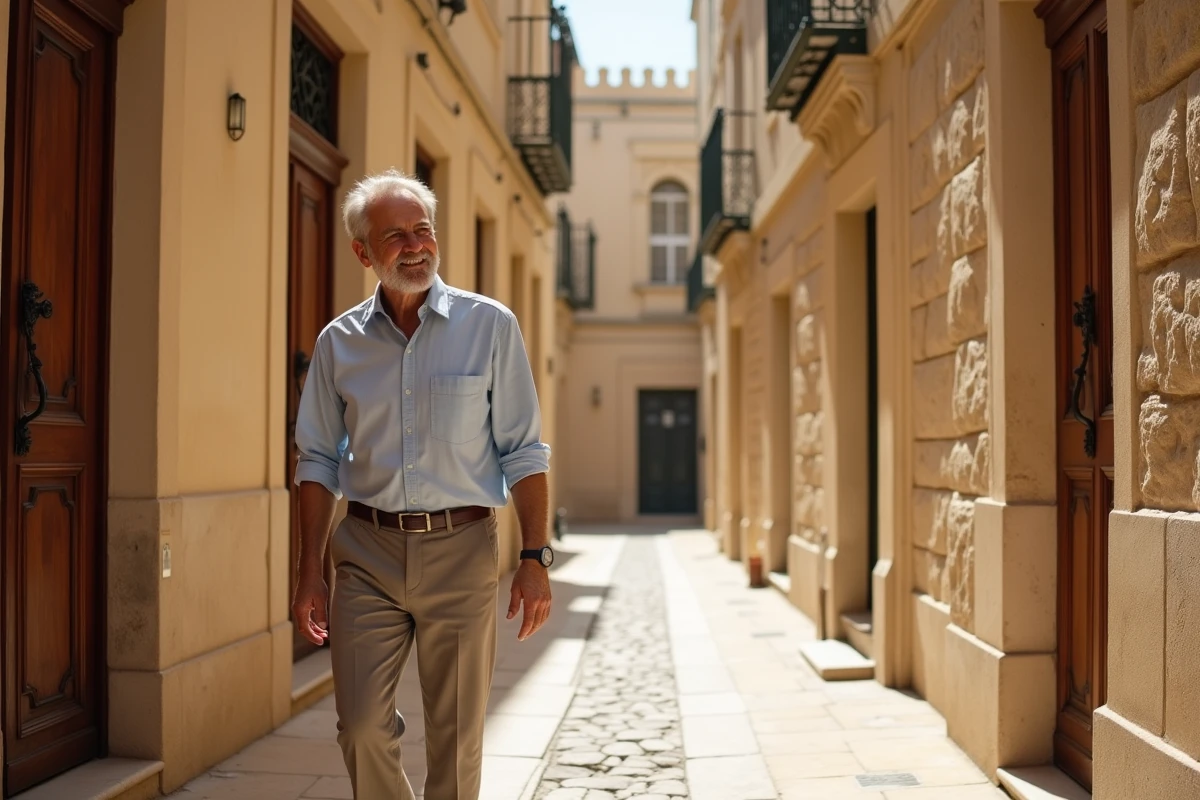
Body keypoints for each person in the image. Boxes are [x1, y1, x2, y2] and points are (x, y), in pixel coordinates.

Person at [289, 168, 556, 800]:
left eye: (424, 230)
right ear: (363, 252)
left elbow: (523, 449)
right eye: (395, 236)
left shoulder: (490, 327)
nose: (416, 246)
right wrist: (309, 572)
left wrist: (534, 558)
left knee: (457, 739)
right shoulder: (338, 343)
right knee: (359, 727)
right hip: (365, 552)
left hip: (461, 551)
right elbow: (318, 459)